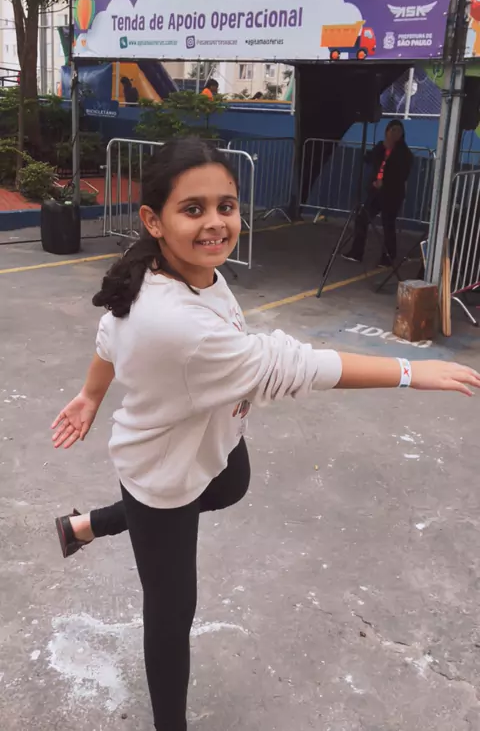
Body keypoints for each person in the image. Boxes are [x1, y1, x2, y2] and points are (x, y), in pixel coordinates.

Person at [51, 137, 479, 731]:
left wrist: (91, 394)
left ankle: (88, 524)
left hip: (209, 440)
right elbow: (293, 364)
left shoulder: (180, 269)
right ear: (153, 220)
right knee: (171, 614)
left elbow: (108, 330)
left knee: (232, 482)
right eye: (193, 209)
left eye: (225, 206)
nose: (216, 223)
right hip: (160, 474)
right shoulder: (175, 322)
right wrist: (409, 371)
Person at [344, 119, 413, 267]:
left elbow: (402, 175)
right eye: (392, 130)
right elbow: (371, 160)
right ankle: (356, 252)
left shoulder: (404, 153)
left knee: (388, 224)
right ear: (387, 131)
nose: (395, 133)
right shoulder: (380, 147)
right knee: (362, 218)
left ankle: (388, 257)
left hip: (392, 194)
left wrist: (385, 182)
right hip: (376, 192)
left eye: (398, 131)